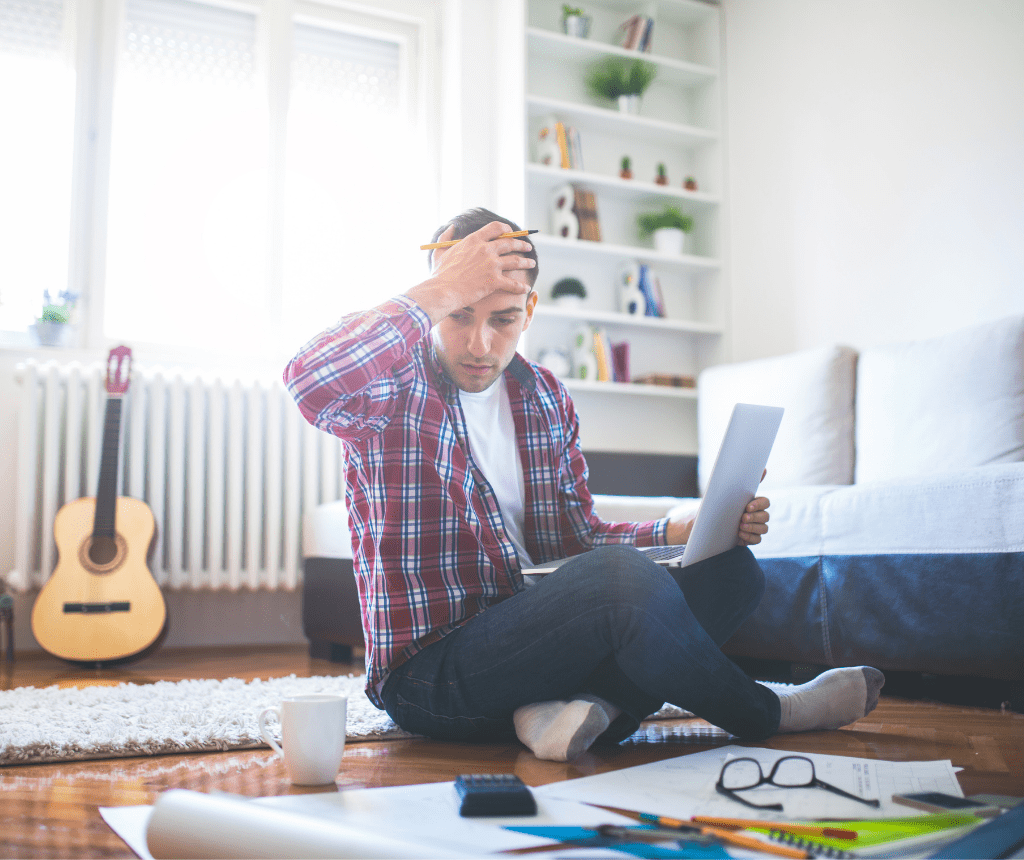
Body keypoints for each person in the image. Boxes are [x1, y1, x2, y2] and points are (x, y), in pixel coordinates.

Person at [284, 207, 884, 762]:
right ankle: (766, 711)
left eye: (504, 318)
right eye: (459, 315)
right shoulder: (388, 386)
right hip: (431, 675)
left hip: (537, 651)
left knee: (733, 575)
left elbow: (576, 540)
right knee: (620, 582)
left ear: (532, 310)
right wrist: (444, 286)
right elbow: (308, 378)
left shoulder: (543, 396)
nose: (479, 343)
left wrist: (686, 529)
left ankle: (575, 713)